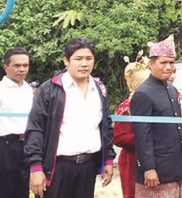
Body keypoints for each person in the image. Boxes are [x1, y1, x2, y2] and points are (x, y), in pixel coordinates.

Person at [24, 38, 115, 198]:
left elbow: (105, 125)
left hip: (88, 166)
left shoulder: (99, 89)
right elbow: (35, 129)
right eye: (78, 59)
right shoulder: (50, 89)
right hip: (57, 167)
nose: (84, 64)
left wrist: (107, 159)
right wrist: (36, 167)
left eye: (89, 58)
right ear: (66, 61)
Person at [131, 34, 182, 197]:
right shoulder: (143, 94)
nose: (168, 67)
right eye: (163, 62)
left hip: (176, 169)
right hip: (156, 173)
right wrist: (148, 167)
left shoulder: (171, 90)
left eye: (171, 63)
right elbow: (142, 135)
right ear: (151, 64)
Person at [113, 57, 151, 198]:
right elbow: (119, 138)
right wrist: (146, 139)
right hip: (131, 160)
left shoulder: (151, 102)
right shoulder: (125, 108)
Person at [0, 48, 32, 198]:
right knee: (5, 188)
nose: (22, 69)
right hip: (5, 146)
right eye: (17, 65)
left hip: (25, 145)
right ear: (6, 67)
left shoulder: (27, 89)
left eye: (25, 65)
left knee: (23, 188)